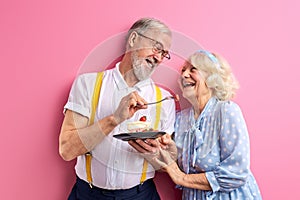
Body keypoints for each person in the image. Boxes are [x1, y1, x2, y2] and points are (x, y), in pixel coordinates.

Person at [59, 17, 176, 200]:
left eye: (164, 54)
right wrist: (114, 119)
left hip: (141, 195)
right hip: (89, 194)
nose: (159, 58)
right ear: (133, 39)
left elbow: (163, 166)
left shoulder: (164, 100)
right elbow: (66, 150)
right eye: (157, 47)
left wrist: (156, 153)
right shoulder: (88, 85)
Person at [129, 50, 262, 199]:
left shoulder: (226, 111)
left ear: (211, 78)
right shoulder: (180, 119)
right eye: (183, 70)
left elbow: (236, 173)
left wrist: (181, 177)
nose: (184, 75)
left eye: (193, 69)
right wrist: (155, 148)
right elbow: (171, 166)